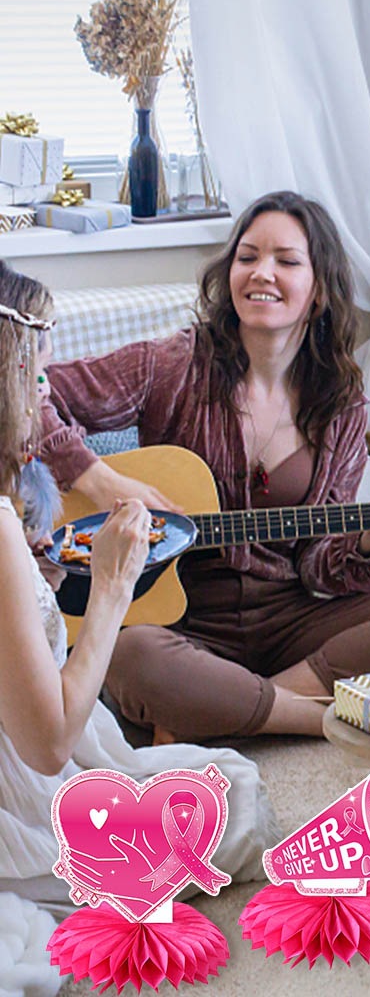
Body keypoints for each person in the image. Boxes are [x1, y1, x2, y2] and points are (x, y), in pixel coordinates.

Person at [39, 191, 370, 745]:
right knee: (129, 654)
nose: (261, 273)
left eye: (286, 261)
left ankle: (225, 707)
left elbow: (319, 567)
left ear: (318, 290)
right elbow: (27, 393)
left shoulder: (340, 402)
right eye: (247, 257)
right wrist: (100, 480)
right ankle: (325, 720)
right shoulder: (172, 365)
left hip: (291, 620)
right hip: (181, 622)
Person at [0, 263, 277, 911]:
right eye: (39, 374)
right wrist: (110, 588)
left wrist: (35, 580)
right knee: (234, 798)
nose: (46, 392)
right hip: (21, 799)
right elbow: (49, 746)